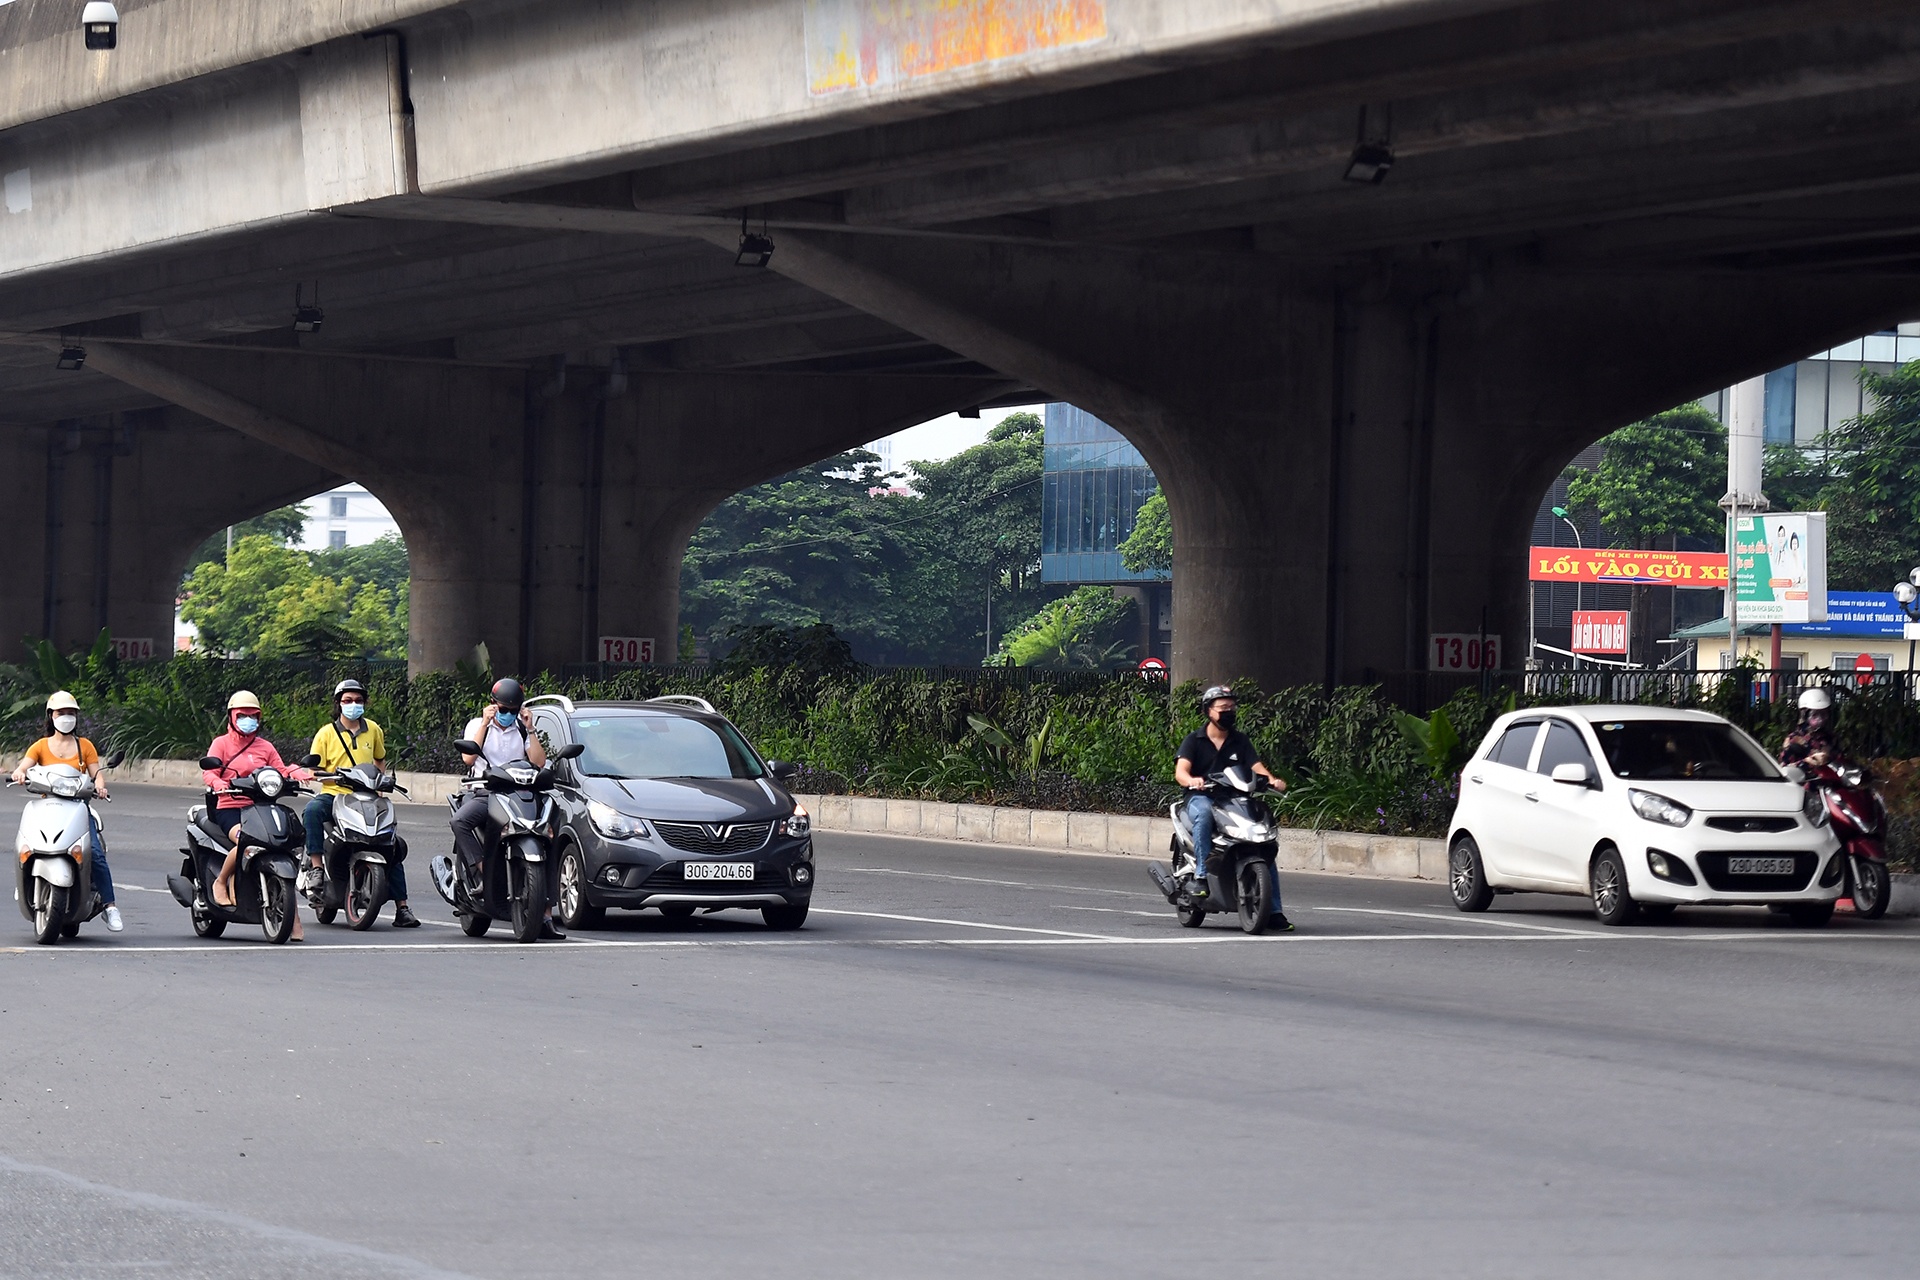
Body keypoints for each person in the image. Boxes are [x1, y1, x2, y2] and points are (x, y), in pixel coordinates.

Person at [450, 677, 561, 939]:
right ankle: (482, 868)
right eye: (503, 709)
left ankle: (545, 910)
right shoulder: (477, 725)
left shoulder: (522, 730)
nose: (508, 714)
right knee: (460, 822)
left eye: (513, 710)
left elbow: (539, 762)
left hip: (518, 793)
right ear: (492, 705)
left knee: (549, 829)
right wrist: (486, 724)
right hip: (484, 793)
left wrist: (530, 728)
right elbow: (469, 757)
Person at [302, 679, 418, 928]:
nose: (353, 705)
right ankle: (316, 868)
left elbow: (379, 761)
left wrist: (381, 787)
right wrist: (323, 774)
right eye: (347, 701)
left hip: (367, 796)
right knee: (312, 811)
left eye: (358, 700)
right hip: (335, 794)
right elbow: (314, 767)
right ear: (338, 704)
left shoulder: (374, 729)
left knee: (390, 842)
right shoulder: (326, 733)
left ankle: (403, 908)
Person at [1174, 684, 1291, 929]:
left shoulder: (1240, 741)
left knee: (1262, 845)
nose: (1229, 712)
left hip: (1233, 799)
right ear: (1208, 711)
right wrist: (1193, 781)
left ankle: (1275, 912)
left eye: (1231, 707)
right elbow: (1181, 772)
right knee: (1204, 815)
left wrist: (1272, 781)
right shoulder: (1194, 740)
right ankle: (1201, 876)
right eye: (1222, 708)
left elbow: (1256, 766)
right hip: (1202, 797)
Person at [202, 691, 314, 939]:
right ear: (231, 716)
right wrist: (218, 783)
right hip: (230, 807)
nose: (248, 720)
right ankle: (221, 882)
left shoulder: (265, 746)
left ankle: (291, 914)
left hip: (262, 807)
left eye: (253, 715)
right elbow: (209, 773)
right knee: (244, 840)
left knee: (286, 842)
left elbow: (281, 769)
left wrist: (298, 773)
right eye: (242, 715)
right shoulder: (221, 744)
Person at [11, 691, 121, 932]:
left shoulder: (85, 747)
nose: (66, 717)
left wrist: (101, 788)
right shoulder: (40, 746)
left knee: (95, 853)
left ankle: (110, 905)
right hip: (46, 807)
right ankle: (24, 884)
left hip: (77, 808)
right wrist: (19, 773)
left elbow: (96, 774)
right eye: (61, 713)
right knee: (25, 845)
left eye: (71, 713)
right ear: (51, 716)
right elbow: (24, 766)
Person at [1780, 686, 1840, 769]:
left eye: (1823, 714)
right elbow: (1784, 769)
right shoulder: (1793, 739)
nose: (1820, 719)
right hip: (1803, 781)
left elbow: (1840, 762)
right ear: (1804, 715)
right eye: (1815, 715)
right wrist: (1808, 762)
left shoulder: (1831, 739)